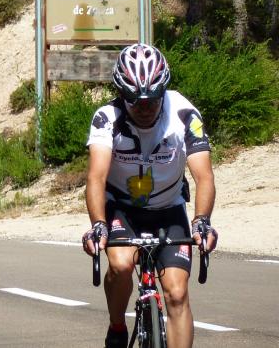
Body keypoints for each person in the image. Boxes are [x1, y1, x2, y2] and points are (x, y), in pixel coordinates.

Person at [81, 43, 218, 348]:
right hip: (122, 209)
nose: (144, 108)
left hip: (169, 208)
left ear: (163, 92)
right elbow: (96, 177)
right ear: (121, 94)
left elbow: (204, 176)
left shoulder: (184, 114)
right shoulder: (106, 118)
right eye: (134, 101)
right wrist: (98, 224)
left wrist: (202, 220)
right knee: (120, 265)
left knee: (177, 292)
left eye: (152, 100)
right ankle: (117, 326)